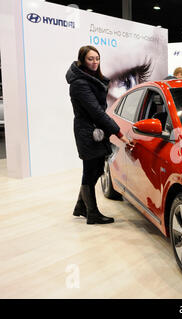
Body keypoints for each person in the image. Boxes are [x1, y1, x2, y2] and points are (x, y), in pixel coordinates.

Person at [66, 45, 131, 225]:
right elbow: (96, 112)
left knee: (94, 170)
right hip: (87, 131)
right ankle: (92, 213)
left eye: (97, 58)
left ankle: (81, 206)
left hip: (94, 130)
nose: (95, 62)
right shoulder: (79, 83)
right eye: (90, 59)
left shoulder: (91, 79)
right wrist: (118, 132)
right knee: (91, 171)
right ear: (82, 60)